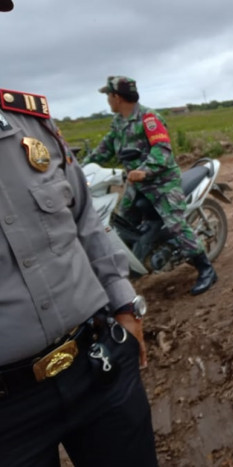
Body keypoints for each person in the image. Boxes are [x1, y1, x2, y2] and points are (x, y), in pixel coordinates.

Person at [0, 3, 158, 466]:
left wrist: (125, 304)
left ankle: (199, 262)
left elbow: (87, 221)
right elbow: (107, 149)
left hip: (100, 364)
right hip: (8, 414)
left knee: (166, 218)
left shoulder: (32, 127)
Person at [85, 75, 217, 295]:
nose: (107, 100)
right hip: (136, 184)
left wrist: (144, 171)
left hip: (162, 182)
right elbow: (104, 149)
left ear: (117, 96)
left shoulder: (148, 118)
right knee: (122, 222)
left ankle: (206, 269)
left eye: (108, 95)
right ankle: (137, 262)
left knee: (175, 225)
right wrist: (79, 166)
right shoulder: (118, 122)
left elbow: (162, 150)